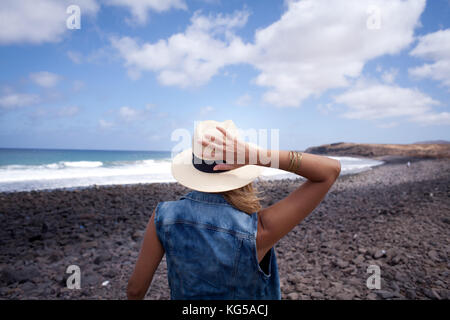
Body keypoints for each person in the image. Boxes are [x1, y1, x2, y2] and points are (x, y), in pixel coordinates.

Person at [127, 120, 341, 300]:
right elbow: (329, 171)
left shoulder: (164, 216)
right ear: (242, 165)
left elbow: (136, 290)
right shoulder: (259, 229)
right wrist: (258, 155)